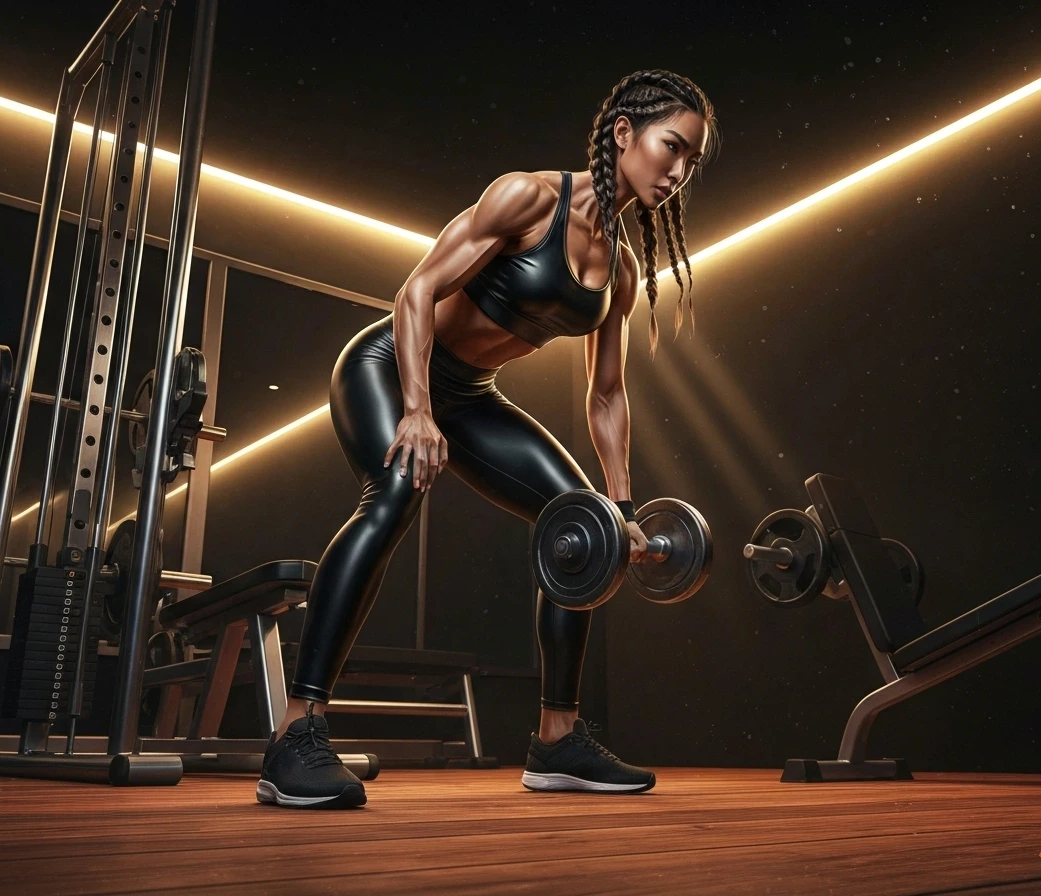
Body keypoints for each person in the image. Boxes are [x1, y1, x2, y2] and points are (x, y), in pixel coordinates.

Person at [256, 69, 719, 808]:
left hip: (470, 397)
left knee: (584, 527)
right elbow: (416, 293)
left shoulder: (620, 271)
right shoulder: (528, 198)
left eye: (692, 159)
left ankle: (558, 741)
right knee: (399, 487)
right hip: (389, 366)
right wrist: (415, 409)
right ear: (625, 133)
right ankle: (295, 734)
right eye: (672, 146)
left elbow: (607, 395)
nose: (678, 169)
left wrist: (623, 506)